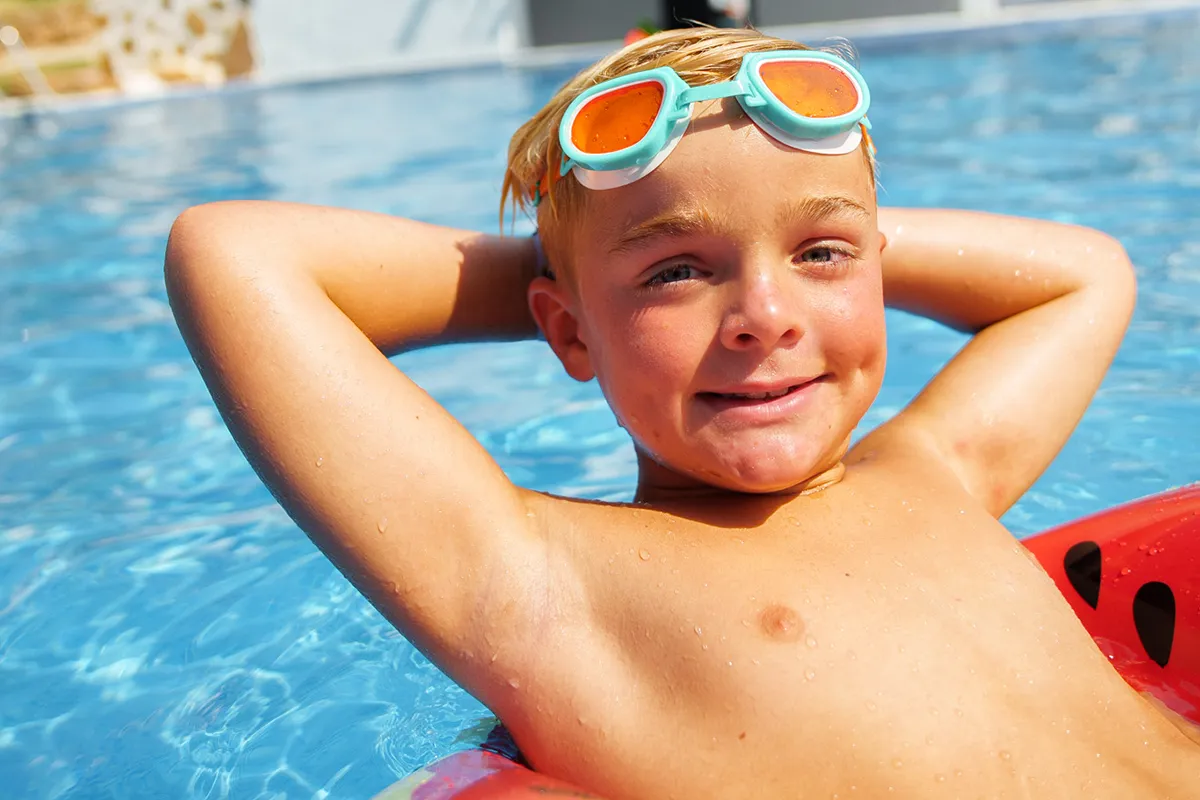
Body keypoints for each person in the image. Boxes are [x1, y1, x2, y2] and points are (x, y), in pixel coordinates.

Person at [164, 26, 1200, 800]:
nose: (764, 316)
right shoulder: (542, 581)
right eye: (677, 272)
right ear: (566, 335)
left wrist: (788, 224)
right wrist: (574, 271)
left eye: (821, 255)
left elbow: (1087, 276)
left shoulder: (934, 470)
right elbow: (233, 255)